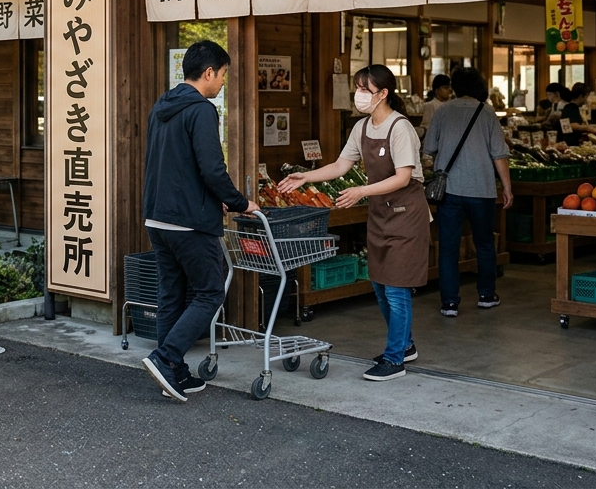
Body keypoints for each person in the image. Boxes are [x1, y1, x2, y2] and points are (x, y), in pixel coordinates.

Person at [279, 65, 428, 382]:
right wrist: (306, 176)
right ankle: (405, 344)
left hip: (407, 216)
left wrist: (362, 191)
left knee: (397, 289)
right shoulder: (361, 127)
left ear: (383, 93)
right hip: (380, 215)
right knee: (379, 285)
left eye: (365, 89)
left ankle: (394, 359)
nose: (359, 95)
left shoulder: (401, 128)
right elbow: (340, 165)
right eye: (357, 89)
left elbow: (403, 177)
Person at [141, 40, 258, 402]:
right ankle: (166, 358)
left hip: (157, 217)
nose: (223, 82)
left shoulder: (162, 106)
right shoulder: (202, 110)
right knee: (210, 292)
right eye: (223, 75)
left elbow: (177, 166)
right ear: (208, 73)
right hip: (190, 223)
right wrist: (239, 202)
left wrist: (213, 200)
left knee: (171, 296)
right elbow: (212, 169)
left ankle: (173, 372)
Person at [422, 67, 513, 318]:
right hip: (481, 190)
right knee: (484, 243)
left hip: (449, 190)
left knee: (448, 246)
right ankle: (486, 295)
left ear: (455, 87)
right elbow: (499, 154)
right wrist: (507, 187)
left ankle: (449, 302)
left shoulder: (442, 112)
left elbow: (428, 148)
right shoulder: (487, 113)